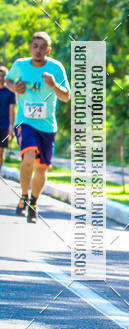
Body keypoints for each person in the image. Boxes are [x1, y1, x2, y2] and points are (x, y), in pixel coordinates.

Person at [6, 31, 71, 223]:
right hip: (25, 122)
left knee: (41, 169)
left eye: (42, 48)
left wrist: (54, 85)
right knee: (28, 157)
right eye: (35, 46)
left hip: (47, 126)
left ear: (48, 50)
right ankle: (24, 196)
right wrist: (14, 87)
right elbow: (8, 80)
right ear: (30, 48)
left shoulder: (55, 68)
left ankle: (33, 203)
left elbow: (66, 96)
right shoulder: (20, 65)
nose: (38, 50)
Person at [0, 66, 16, 173]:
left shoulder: (10, 92)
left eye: (3, 76)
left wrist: (11, 126)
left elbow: (12, 110)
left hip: (4, 126)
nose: (0, 78)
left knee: (1, 152)